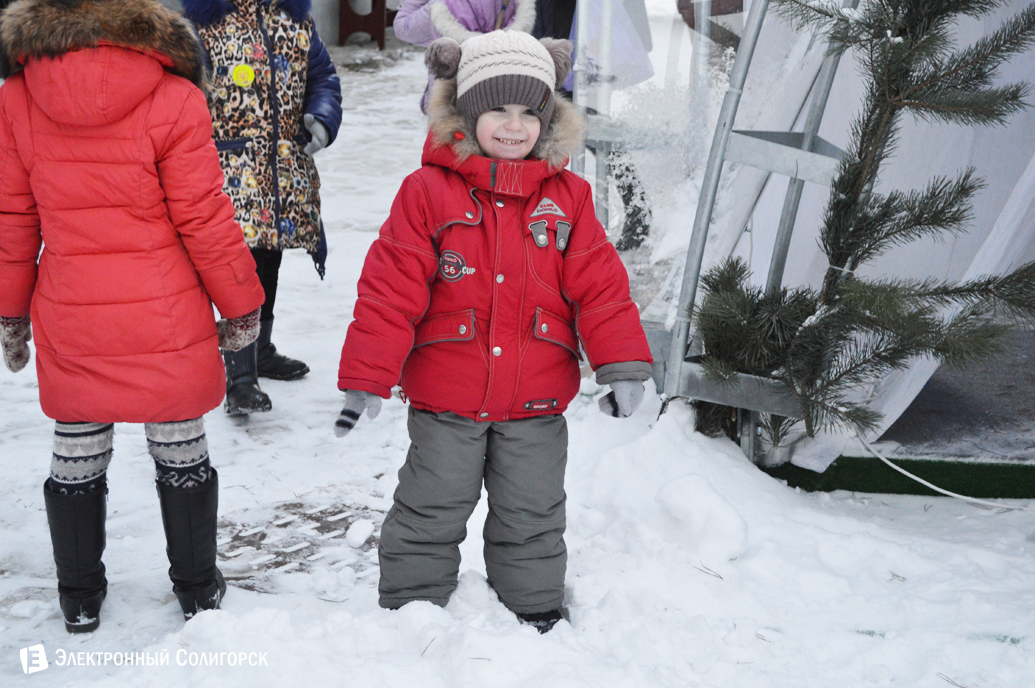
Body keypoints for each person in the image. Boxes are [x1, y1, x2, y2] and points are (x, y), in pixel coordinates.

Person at [333, 30, 653, 633]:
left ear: (548, 118)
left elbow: (601, 289)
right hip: (447, 395)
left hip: (534, 396)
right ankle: (412, 612)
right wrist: (367, 376)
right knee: (431, 505)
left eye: (529, 112)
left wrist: (622, 365)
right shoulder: (426, 192)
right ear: (466, 113)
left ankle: (533, 610)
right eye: (496, 110)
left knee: (531, 510)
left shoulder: (570, 199)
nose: (513, 126)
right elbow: (389, 289)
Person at [0, 0, 266, 632]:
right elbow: (203, 216)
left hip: (73, 310)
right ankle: (198, 588)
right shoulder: (173, 96)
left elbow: (12, 220)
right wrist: (240, 304)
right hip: (163, 309)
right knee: (180, 447)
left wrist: (11, 312)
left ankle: (79, 596)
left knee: (77, 449)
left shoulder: (17, 96)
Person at [181, 0, 343, 415]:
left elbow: (322, 77)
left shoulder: (296, 21)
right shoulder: (202, 26)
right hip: (227, 171)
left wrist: (321, 118)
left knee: (268, 260)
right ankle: (240, 374)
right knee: (239, 266)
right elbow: (180, 94)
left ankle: (260, 350)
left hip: (284, 171)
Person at [393, 0, 536, 112]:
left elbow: (404, 28)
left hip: (453, 98)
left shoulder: (445, 6)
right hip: (504, 95)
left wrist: (436, 7)